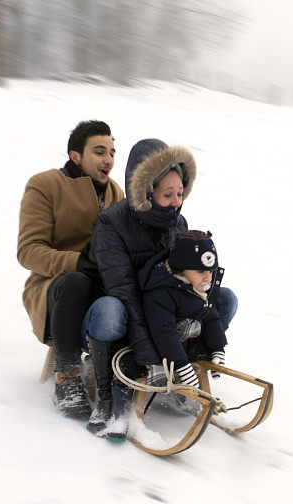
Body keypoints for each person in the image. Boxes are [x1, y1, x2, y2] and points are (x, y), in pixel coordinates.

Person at [88, 139, 238, 440]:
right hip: (118, 313)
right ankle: (107, 396)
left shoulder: (177, 223)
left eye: (180, 193)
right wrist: (152, 355)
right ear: (146, 191)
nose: (176, 201)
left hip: (163, 310)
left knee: (224, 299)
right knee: (111, 311)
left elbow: (183, 279)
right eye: (167, 194)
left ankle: (182, 371)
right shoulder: (111, 224)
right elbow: (124, 292)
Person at [17, 120, 127, 427]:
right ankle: (66, 376)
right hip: (54, 288)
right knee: (76, 281)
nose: (109, 159)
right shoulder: (45, 185)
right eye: (99, 151)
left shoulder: (117, 193)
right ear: (75, 155)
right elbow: (28, 250)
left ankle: (134, 375)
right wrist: (76, 262)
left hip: (101, 289)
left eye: (113, 152)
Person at [138, 230, 227, 388]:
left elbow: (211, 315)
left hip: (183, 344)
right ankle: (177, 379)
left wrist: (217, 347)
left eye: (211, 271)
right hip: (159, 349)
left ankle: (193, 365)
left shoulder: (195, 287)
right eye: (201, 271)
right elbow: (164, 332)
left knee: (222, 301)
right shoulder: (161, 292)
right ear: (181, 269)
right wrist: (181, 365)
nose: (207, 278)